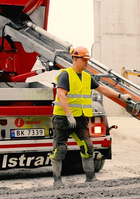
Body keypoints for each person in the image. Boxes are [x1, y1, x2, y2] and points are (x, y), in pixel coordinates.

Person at [50, 46, 131, 187]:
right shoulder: (66, 75)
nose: (87, 63)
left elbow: (102, 89)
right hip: (63, 118)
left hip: (81, 118)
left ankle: (90, 178)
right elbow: (61, 95)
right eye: (84, 60)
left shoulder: (87, 77)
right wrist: (69, 115)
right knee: (60, 149)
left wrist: (120, 96)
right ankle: (57, 181)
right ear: (75, 59)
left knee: (88, 147)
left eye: (88, 60)